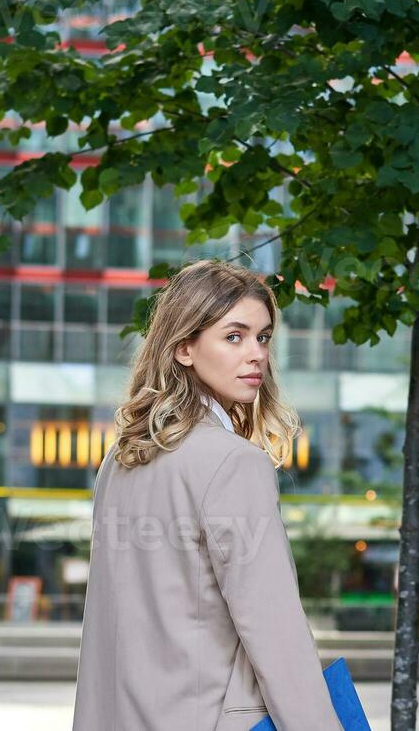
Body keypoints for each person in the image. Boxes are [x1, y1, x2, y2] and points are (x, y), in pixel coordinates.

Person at [74, 260, 339, 731]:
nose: (256, 354)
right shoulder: (234, 463)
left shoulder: (120, 459)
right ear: (184, 348)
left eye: (263, 337)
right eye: (234, 336)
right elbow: (274, 628)